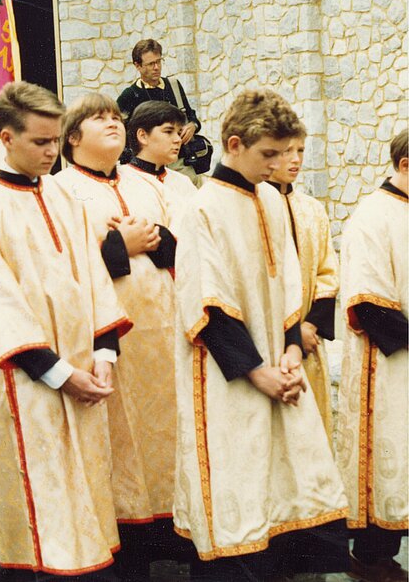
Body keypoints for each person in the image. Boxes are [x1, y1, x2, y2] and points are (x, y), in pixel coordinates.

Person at [0, 82, 131, 579]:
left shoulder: (65, 199)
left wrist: (104, 355)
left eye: (56, 141)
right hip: (31, 381)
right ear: (7, 138)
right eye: (40, 142)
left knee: (89, 492)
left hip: (85, 372)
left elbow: (96, 282)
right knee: (43, 496)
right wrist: (58, 373)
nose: (51, 152)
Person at [173, 89, 348, 580]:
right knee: (237, 490)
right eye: (268, 154)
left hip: (279, 367)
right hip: (228, 377)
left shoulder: (272, 201)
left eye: (284, 152)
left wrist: (292, 349)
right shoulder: (201, 209)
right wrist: (258, 373)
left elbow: (291, 283)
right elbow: (209, 303)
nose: (278, 164)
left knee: (287, 490)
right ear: (233, 143)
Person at [55, 92, 190, 580]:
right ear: (73, 138)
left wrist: (154, 238)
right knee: (120, 440)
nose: (112, 123)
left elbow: (181, 243)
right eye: (98, 119)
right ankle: (126, 546)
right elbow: (63, 265)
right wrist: (120, 244)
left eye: (115, 116)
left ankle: (171, 534)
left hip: (164, 332)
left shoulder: (145, 183)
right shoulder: (61, 190)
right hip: (108, 339)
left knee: (166, 433)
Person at [336, 128, 408, 581]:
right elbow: (367, 301)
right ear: (405, 165)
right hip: (388, 363)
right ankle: (370, 556)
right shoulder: (373, 216)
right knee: (387, 457)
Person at [267, 134, 338, 439]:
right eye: (286, 152)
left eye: (300, 151)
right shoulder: (255, 208)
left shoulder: (312, 209)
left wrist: (311, 327)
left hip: (309, 339)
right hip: (270, 342)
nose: (296, 159)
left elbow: (327, 271)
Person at [117, 39, 210, 184]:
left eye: (159, 61)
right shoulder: (129, 96)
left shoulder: (173, 86)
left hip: (180, 162)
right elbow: (119, 132)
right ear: (137, 66)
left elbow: (191, 116)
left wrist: (192, 126)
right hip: (148, 170)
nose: (156, 67)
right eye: (150, 64)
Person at [123, 101, 198, 227]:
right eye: (168, 132)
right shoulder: (121, 181)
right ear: (143, 136)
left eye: (178, 133)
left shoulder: (183, 182)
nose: (178, 139)